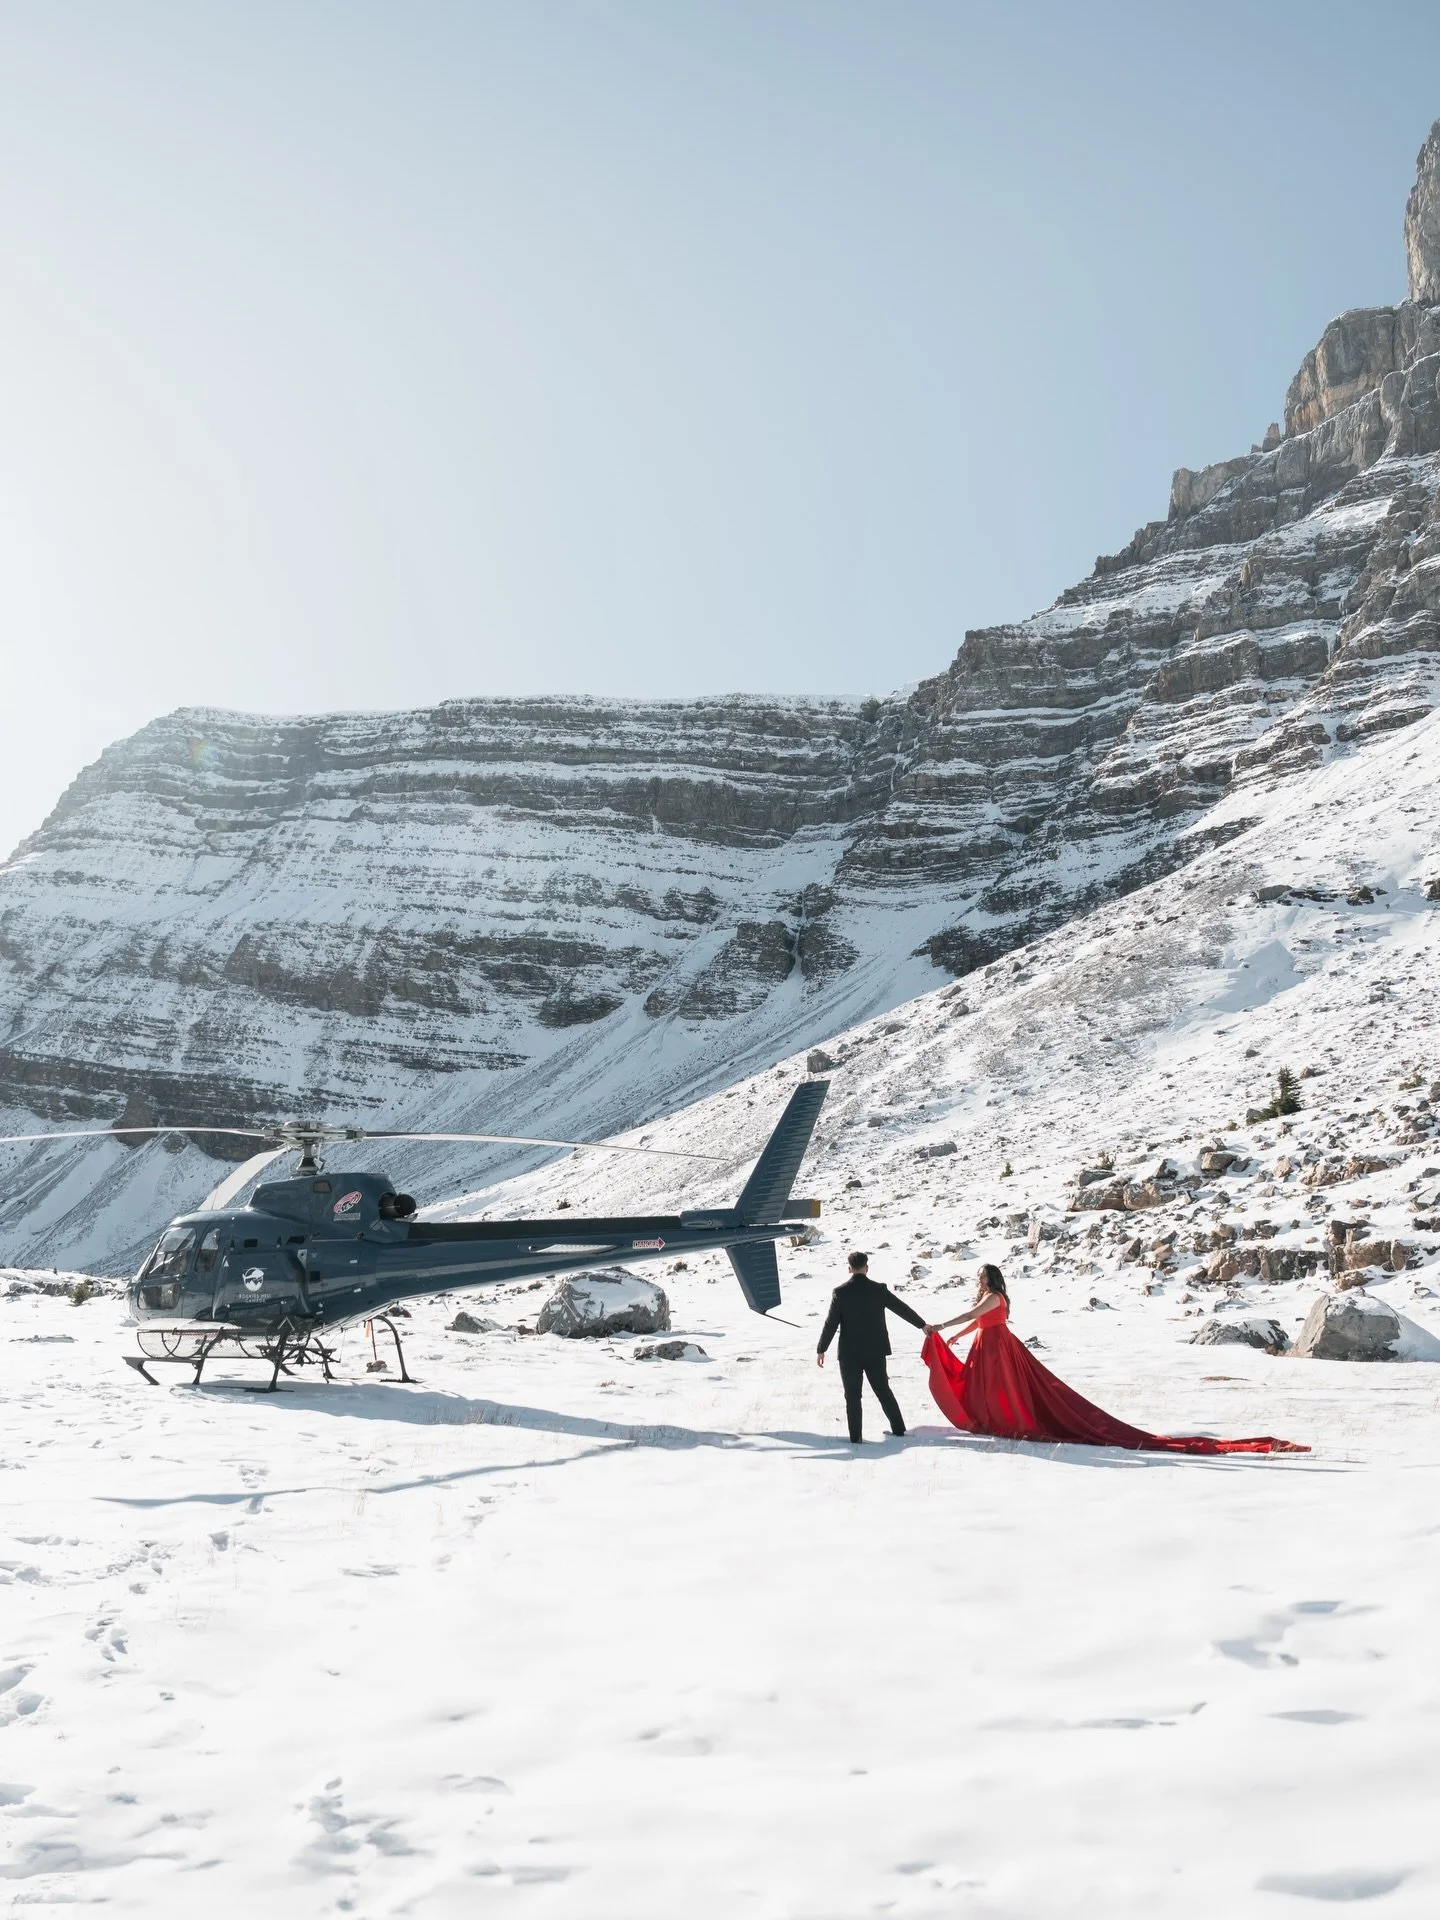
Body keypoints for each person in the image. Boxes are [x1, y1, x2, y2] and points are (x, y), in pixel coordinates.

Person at [922, 1264, 1306, 1454]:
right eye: (979, 1278)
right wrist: (955, 1336)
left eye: (983, 1277)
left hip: (997, 1347)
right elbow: (976, 1322)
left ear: (992, 1279)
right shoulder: (988, 1299)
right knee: (989, 1387)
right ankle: (995, 1420)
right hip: (988, 1344)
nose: (980, 1281)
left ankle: (1006, 1421)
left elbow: (975, 1315)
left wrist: (942, 1325)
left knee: (1007, 1388)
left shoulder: (994, 1297)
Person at [816, 1251, 936, 1443]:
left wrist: (821, 1349)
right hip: (875, 1350)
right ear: (867, 1267)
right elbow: (901, 1308)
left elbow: (831, 1323)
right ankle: (899, 1430)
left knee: (852, 1396)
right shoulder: (878, 1290)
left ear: (849, 1269)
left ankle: (856, 1437)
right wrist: (921, 1325)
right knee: (883, 1390)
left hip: (849, 1353)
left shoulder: (840, 1292)